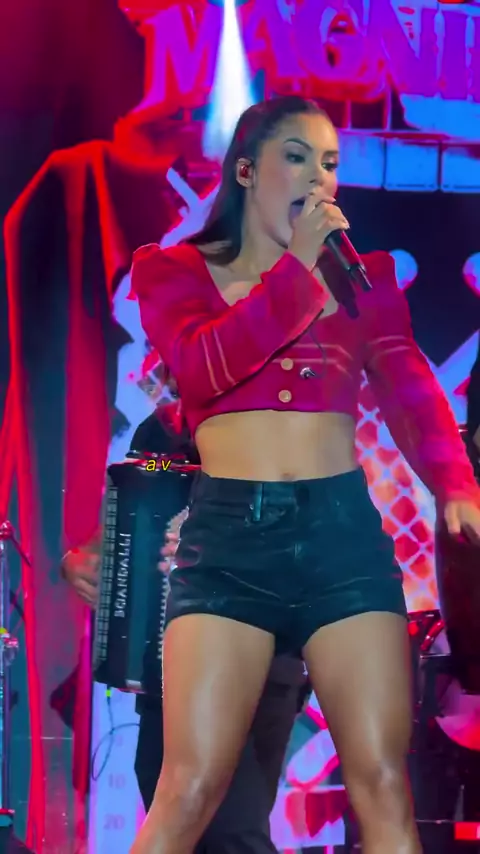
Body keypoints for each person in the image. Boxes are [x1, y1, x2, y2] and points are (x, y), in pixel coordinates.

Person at [130, 95, 480, 854]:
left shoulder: (361, 278)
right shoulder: (173, 271)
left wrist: (455, 481)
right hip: (229, 541)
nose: (317, 178)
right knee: (189, 786)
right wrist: (294, 272)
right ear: (246, 170)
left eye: (328, 163)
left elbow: (408, 384)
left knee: (382, 782)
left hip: (340, 536)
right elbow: (203, 368)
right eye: (296, 157)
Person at [62, 398, 309, 854]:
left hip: (258, 655)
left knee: (231, 830)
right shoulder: (164, 429)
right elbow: (135, 503)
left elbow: (315, 537)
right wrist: (86, 557)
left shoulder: (283, 416)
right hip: (169, 665)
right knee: (175, 819)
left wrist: (215, 546)